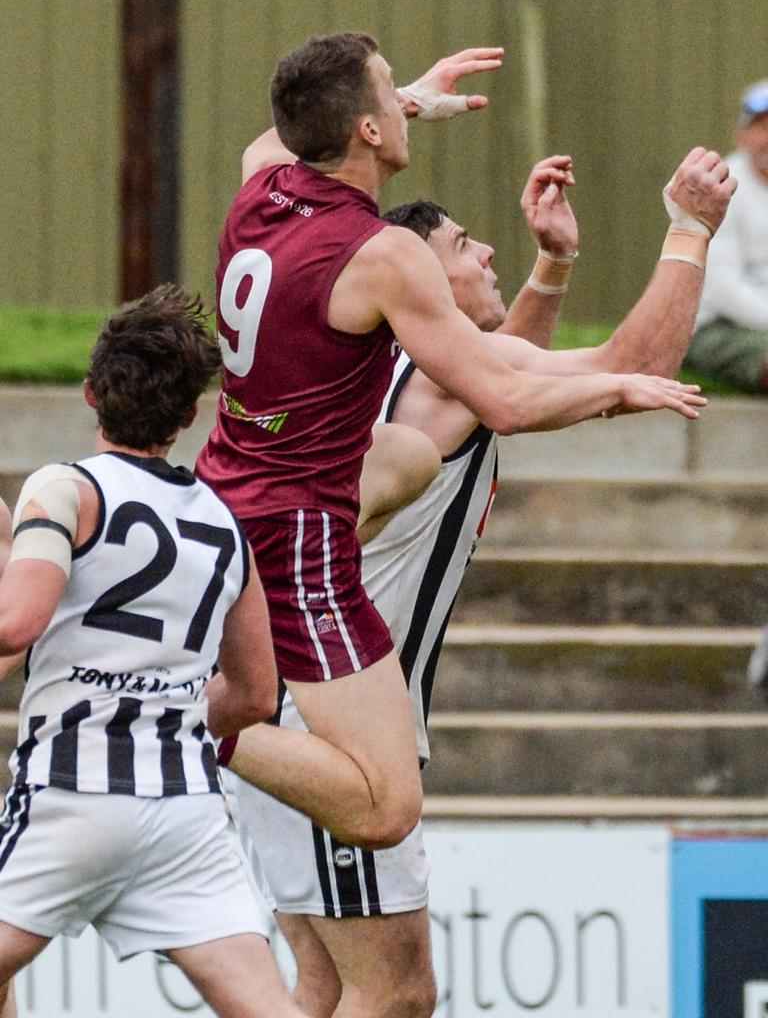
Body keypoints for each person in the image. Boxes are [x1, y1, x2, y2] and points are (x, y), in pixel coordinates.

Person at [222, 145, 736, 1018]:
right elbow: (635, 362)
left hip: (298, 716)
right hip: (331, 731)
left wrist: (554, 265)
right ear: (419, 281)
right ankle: (187, 720)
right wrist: (690, 232)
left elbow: (497, 372)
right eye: (464, 246)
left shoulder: (388, 375)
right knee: (395, 996)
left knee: (322, 989)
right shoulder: (428, 388)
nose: (485, 251)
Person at [196, 31, 714, 855]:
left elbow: (278, 139)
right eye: (390, 90)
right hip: (295, 539)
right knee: (381, 814)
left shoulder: (261, 190)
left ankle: (174, 721)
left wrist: (406, 100)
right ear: (366, 130)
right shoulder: (384, 255)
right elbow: (506, 397)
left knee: (365, 975)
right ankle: (164, 725)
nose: (480, 253)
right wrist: (622, 376)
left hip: (224, 497)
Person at [0, 286, 308, 1018]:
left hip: (72, 792)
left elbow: (18, 624)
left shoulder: (66, 488)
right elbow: (259, 695)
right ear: (188, 414)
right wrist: (160, 708)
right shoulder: (223, 524)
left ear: (90, 394)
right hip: (185, 811)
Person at [683, 79, 768, 390]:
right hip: (717, 325)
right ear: (741, 135)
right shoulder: (720, 187)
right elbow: (724, 291)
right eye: (761, 126)